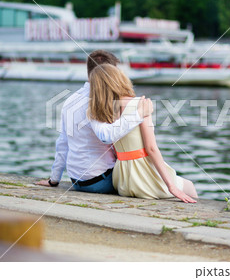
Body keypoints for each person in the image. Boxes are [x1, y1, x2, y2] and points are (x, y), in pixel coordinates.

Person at [36, 50, 153, 193]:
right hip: (101, 181)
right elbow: (105, 136)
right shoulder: (98, 101)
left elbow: (63, 143)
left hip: (76, 180)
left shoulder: (70, 100)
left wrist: (54, 179)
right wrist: (138, 114)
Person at [88, 63, 198, 203]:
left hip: (122, 180)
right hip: (143, 177)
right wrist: (171, 186)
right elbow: (151, 148)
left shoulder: (101, 111)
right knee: (189, 186)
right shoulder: (140, 104)